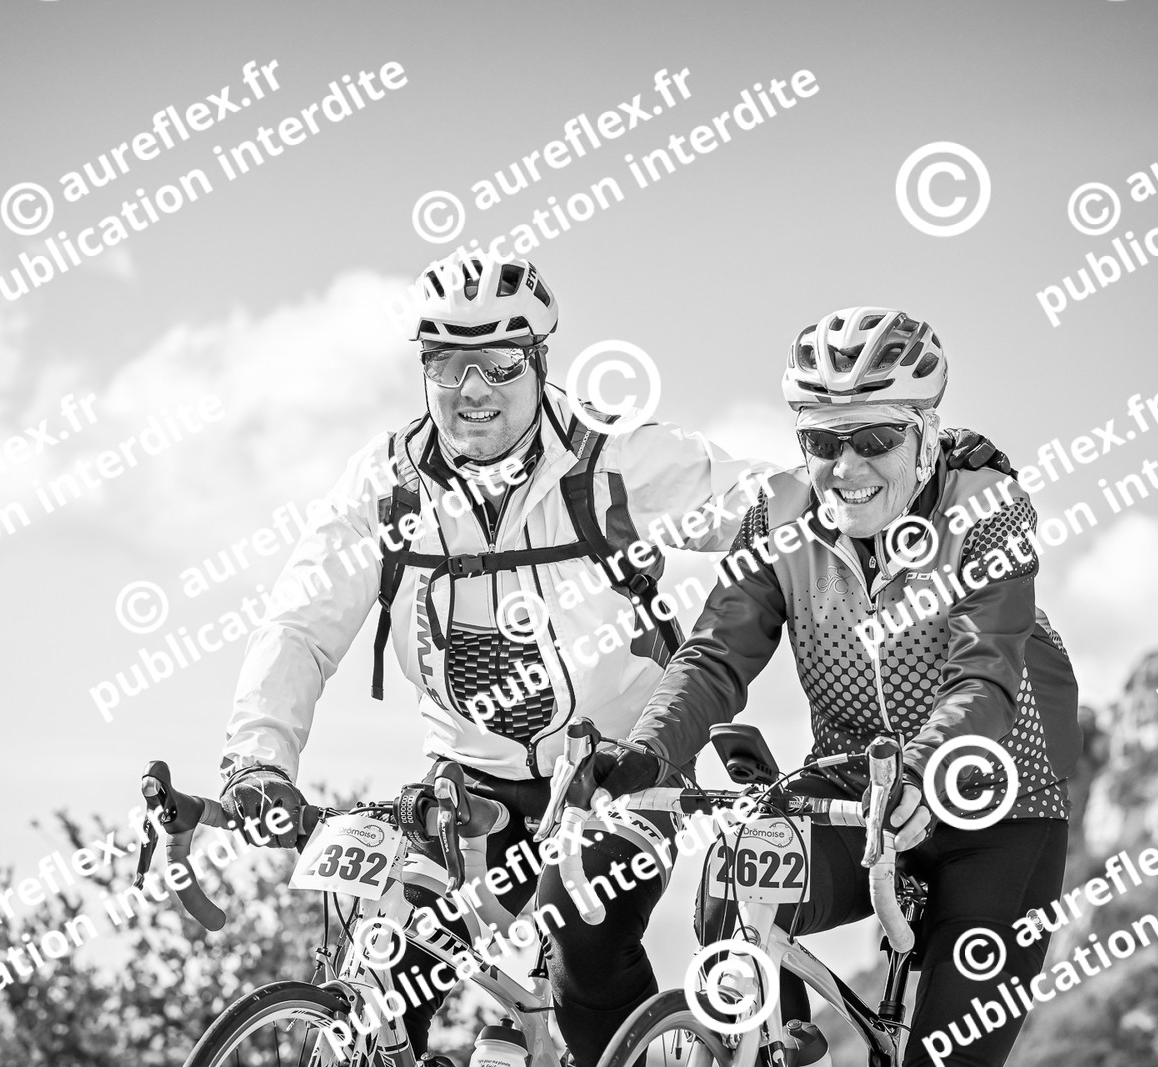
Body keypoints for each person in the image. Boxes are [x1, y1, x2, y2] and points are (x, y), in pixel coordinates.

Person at [219, 269, 1011, 1064]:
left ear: (539, 359)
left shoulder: (611, 460)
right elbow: (299, 624)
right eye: (447, 364)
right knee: (390, 958)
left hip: (620, 770)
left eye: (499, 364)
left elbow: (773, 503)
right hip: (468, 781)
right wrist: (258, 760)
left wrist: (932, 472)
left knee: (582, 932)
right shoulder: (384, 489)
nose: (474, 389)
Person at [593, 307, 1082, 1067]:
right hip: (855, 785)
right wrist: (645, 754)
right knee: (734, 880)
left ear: (925, 433)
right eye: (822, 443)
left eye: (875, 440)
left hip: (998, 801)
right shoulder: (777, 513)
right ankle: (781, 1049)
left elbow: (984, 673)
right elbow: (716, 654)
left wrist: (920, 769)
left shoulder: (987, 509)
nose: (846, 468)